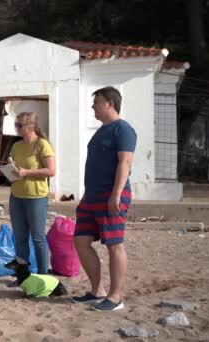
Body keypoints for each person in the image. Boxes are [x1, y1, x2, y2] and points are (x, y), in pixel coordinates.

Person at [72, 86, 137, 311]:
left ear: (109, 103)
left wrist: (116, 194)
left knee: (114, 245)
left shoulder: (123, 130)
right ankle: (96, 291)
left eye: (96, 102)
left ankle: (115, 297)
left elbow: (125, 163)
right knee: (81, 241)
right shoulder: (101, 131)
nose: (93, 107)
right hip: (91, 197)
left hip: (112, 195)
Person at [8, 112, 56, 278]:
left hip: (36, 198)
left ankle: (43, 276)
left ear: (31, 126)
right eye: (16, 125)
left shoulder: (42, 144)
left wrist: (27, 172)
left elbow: (51, 171)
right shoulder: (16, 146)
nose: (17, 128)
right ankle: (23, 276)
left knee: (37, 238)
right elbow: (15, 170)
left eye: (20, 125)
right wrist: (10, 170)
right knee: (20, 239)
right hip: (16, 197)